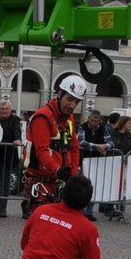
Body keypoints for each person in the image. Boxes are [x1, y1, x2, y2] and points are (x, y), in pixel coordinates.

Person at [25, 75, 85, 213]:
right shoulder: (43, 116)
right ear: (59, 95)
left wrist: (74, 175)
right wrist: (57, 170)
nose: (72, 105)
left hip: (59, 180)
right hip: (41, 181)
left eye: (77, 102)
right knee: (42, 227)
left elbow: (74, 147)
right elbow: (42, 151)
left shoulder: (68, 118)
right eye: (69, 99)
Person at [77, 108, 111, 221]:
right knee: (83, 186)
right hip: (83, 160)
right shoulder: (82, 127)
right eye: (92, 120)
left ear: (100, 121)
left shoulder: (103, 128)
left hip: (97, 162)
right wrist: (97, 146)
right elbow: (81, 142)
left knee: (94, 187)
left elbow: (111, 142)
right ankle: (81, 210)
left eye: (96, 121)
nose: (94, 123)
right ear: (88, 119)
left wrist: (105, 147)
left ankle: (89, 211)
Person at [0, 98, 21, 218]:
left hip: (8, 156)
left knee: (4, 182)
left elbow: (16, 130)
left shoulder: (15, 119)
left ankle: (2, 209)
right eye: (2, 109)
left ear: (10, 109)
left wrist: (17, 139)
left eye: (6, 109)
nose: (4, 111)